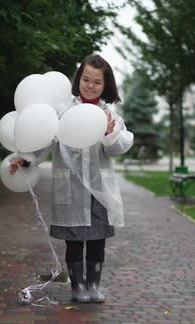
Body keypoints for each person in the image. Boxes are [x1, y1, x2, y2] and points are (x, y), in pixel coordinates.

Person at [9, 54, 134, 303]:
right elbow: (44, 139)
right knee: (74, 242)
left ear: (105, 85)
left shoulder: (109, 115)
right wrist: (25, 158)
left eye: (97, 82)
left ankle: (93, 286)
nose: (90, 85)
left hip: (98, 190)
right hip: (72, 188)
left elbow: (118, 148)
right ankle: (78, 288)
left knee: (98, 241)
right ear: (78, 80)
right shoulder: (62, 110)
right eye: (86, 79)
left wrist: (110, 134)